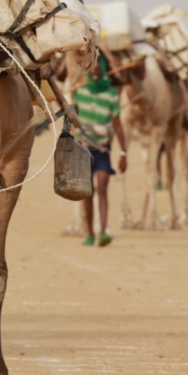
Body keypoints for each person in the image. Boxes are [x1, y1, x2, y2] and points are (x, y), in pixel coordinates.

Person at [74, 56, 127, 247]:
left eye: (98, 71)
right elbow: (73, 120)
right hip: (83, 149)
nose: (95, 74)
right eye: (93, 71)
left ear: (103, 72)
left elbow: (118, 125)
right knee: (87, 192)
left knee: (102, 187)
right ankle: (90, 233)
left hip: (103, 149)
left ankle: (103, 231)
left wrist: (123, 153)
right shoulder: (79, 93)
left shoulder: (112, 94)